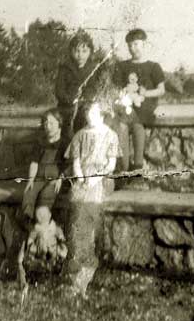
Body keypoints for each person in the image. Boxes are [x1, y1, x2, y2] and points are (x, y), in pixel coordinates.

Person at [62, 101, 119, 297]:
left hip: (102, 179)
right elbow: (76, 162)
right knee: (77, 223)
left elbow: (111, 164)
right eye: (87, 112)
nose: (89, 115)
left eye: (94, 112)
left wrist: (94, 179)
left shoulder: (111, 135)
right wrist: (80, 177)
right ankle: (76, 278)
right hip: (83, 179)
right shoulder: (80, 135)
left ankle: (85, 276)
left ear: (102, 114)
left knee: (90, 222)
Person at [115, 28, 165, 172]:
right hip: (127, 106)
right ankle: (124, 168)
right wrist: (123, 94)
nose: (132, 48)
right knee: (122, 126)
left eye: (136, 44)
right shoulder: (122, 66)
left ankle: (138, 165)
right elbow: (117, 89)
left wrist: (146, 93)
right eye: (130, 45)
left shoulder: (153, 66)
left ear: (145, 44)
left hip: (145, 107)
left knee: (138, 124)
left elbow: (161, 90)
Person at [55, 30, 110, 148]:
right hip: (68, 106)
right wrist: (70, 99)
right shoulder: (65, 68)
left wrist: (88, 98)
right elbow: (59, 91)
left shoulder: (94, 69)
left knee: (89, 118)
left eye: (84, 51)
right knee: (68, 127)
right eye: (77, 51)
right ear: (71, 51)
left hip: (87, 106)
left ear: (90, 52)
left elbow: (96, 89)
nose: (80, 55)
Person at [21, 109, 65, 221]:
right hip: (39, 178)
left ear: (59, 124)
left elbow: (67, 165)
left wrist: (60, 178)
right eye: (45, 123)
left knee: (46, 196)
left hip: (54, 180)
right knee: (29, 193)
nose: (48, 127)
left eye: (51, 123)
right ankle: (27, 222)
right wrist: (31, 179)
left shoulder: (64, 143)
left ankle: (42, 223)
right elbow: (34, 162)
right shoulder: (40, 142)